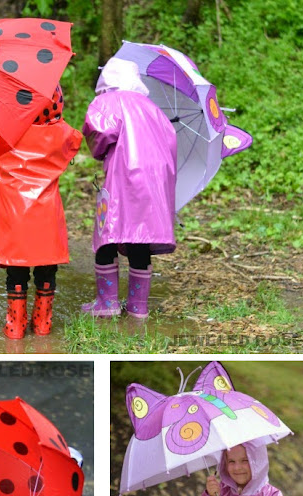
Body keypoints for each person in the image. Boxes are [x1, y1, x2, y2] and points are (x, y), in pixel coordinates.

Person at [0, 85, 82, 338]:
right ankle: (43, 323)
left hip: (13, 215)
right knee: (47, 267)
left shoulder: (3, 133)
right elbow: (72, 145)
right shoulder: (62, 132)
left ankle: (15, 326)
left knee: (17, 269)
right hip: (46, 213)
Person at [81, 57, 177, 318]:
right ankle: (138, 306)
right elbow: (169, 142)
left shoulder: (108, 102)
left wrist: (99, 152)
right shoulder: (153, 109)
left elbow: (99, 132)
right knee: (141, 238)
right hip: (154, 181)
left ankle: (107, 303)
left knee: (107, 237)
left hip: (123, 178)